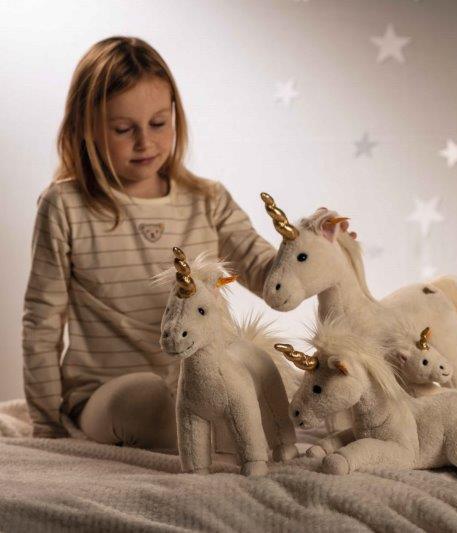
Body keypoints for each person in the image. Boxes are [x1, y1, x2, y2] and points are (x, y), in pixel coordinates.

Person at [22, 36, 276, 450]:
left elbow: (270, 278)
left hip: (200, 381)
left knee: (254, 381)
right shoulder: (65, 205)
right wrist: (47, 425)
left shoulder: (208, 200)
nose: (145, 142)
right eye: (124, 129)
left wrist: (318, 249)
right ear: (86, 128)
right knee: (150, 400)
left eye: (158, 123)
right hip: (105, 395)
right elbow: (42, 321)